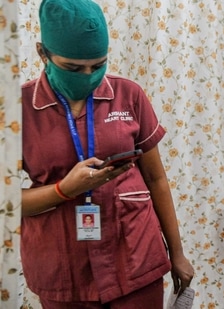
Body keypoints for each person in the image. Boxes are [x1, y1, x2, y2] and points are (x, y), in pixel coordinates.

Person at [21, 0, 194, 307]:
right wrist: (64, 190)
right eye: (73, 68)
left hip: (135, 257)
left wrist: (177, 252)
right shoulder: (17, 108)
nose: (88, 75)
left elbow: (156, 178)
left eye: (98, 65)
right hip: (62, 267)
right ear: (42, 53)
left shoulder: (129, 95)